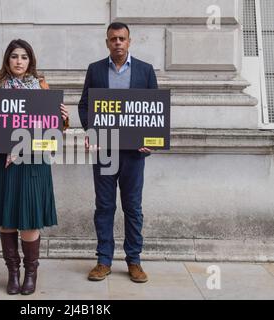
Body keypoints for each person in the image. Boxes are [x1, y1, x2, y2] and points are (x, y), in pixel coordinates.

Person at [0, 39, 69, 295]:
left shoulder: (41, 87)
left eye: (24, 57)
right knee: (6, 220)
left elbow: (53, 130)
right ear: (7, 60)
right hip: (1, 163)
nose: (19, 61)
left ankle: (31, 273)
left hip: (32, 161)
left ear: (30, 61)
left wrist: (63, 119)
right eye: (14, 56)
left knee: (29, 219)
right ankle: (13, 272)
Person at [78, 22, 158, 283]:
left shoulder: (145, 71)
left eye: (122, 38)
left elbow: (155, 111)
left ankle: (134, 261)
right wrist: (91, 131)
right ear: (107, 42)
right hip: (105, 151)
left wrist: (151, 140)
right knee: (104, 206)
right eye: (113, 39)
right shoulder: (96, 69)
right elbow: (84, 105)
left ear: (129, 41)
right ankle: (103, 260)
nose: (118, 43)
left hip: (134, 154)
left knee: (133, 207)